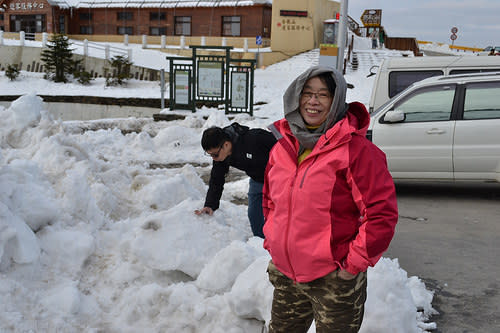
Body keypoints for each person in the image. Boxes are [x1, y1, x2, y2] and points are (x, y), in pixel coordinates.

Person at [262, 65, 398, 332]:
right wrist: (273, 240)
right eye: (307, 93)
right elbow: (270, 201)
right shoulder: (282, 146)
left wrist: (351, 265)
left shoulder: (357, 151)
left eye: (323, 95)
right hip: (287, 275)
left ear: (336, 101)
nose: (313, 101)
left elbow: (381, 214)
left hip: (334, 279)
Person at [194, 122, 276, 238]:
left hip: (279, 180)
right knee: (253, 214)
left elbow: (285, 146)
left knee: (280, 214)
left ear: (226, 145)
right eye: (210, 155)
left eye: (215, 155)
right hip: (257, 180)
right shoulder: (221, 157)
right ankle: (260, 243)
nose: (213, 159)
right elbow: (216, 179)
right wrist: (210, 205)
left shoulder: (254, 138)